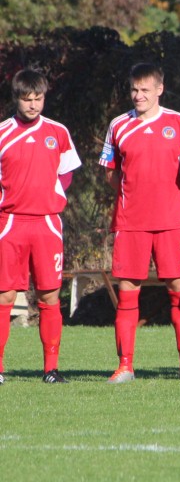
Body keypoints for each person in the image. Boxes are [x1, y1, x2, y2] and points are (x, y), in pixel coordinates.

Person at [100, 63, 180, 384]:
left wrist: (176, 194)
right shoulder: (118, 125)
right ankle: (125, 366)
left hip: (170, 221)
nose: (138, 95)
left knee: (178, 289)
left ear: (160, 89)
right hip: (131, 223)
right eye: (134, 89)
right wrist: (133, 195)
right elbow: (111, 173)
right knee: (128, 291)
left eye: (145, 89)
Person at [0, 70, 82, 383]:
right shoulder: (3, 133)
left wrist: (52, 195)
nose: (33, 105)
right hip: (10, 224)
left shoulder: (57, 132)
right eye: (27, 99)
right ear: (16, 98)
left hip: (47, 223)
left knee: (49, 296)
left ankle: (51, 369)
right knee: (4, 297)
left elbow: (67, 173)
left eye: (38, 98)